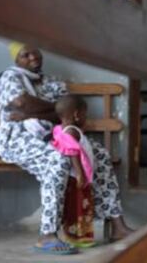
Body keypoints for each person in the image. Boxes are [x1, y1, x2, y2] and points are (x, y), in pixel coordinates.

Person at [0, 42, 131, 255]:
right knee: (58, 159)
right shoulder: (9, 78)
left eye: (35, 52)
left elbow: (65, 113)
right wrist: (51, 109)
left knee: (100, 154)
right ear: (16, 59)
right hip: (17, 138)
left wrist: (36, 111)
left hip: (56, 135)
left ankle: (117, 226)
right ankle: (47, 235)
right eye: (25, 55)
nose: (33, 58)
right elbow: (23, 103)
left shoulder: (53, 82)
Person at [51, 95, 96, 248]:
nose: (86, 118)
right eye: (85, 114)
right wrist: (80, 174)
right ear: (76, 115)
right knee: (79, 208)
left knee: (76, 207)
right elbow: (73, 152)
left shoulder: (62, 130)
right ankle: (77, 237)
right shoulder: (72, 131)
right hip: (76, 178)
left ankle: (76, 236)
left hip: (74, 177)